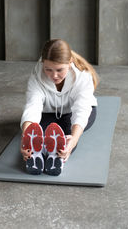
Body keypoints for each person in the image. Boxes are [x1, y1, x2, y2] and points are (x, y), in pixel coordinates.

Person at [20, 39, 99, 176]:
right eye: (48, 69)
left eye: (59, 70)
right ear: (42, 63)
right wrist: (26, 138)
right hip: (48, 113)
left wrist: (73, 140)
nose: (54, 75)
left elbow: (81, 109)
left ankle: (57, 157)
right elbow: (33, 106)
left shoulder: (83, 76)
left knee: (66, 137)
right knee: (39, 136)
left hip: (74, 113)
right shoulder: (36, 75)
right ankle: (36, 155)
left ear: (70, 64)